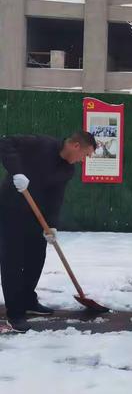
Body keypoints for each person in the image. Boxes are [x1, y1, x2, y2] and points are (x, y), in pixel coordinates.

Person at [0, 131, 96, 333]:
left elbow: (55, 198)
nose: (83, 160)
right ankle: (15, 313)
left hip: (37, 217)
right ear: (76, 146)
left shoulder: (67, 170)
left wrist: (51, 225)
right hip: (11, 209)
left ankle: (27, 300)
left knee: (36, 258)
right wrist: (17, 172)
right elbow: (5, 143)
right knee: (13, 260)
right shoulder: (40, 144)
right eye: (85, 155)